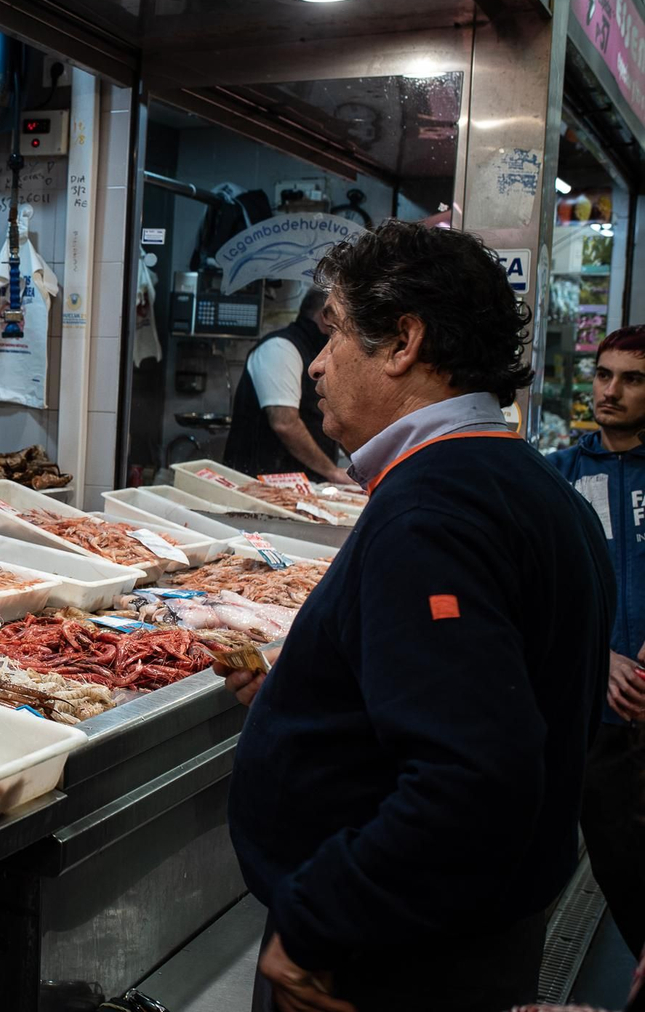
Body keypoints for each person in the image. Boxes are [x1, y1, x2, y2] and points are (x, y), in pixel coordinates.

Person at [217, 220, 614, 1012]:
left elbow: (474, 774)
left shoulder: (432, 512)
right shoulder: (531, 487)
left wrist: (320, 918)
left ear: (402, 341)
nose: (318, 365)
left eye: (333, 333)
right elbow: (494, 691)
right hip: (470, 928)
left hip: (393, 957)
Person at [549, 325, 645, 960]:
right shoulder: (559, 474)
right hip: (601, 716)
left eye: (632, 379)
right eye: (603, 374)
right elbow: (548, 589)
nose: (610, 391)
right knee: (621, 866)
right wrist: (599, 654)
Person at [223, 286, 347, 483]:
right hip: (260, 486)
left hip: (306, 486)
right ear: (325, 315)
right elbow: (285, 423)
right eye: (342, 321)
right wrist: (332, 472)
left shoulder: (316, 354)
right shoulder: (280, 348)